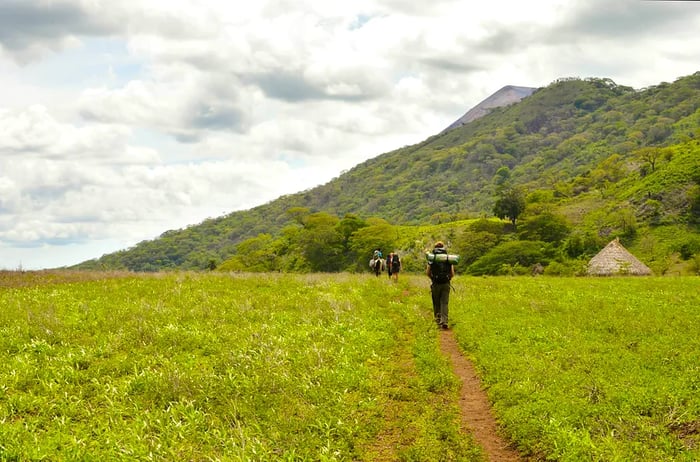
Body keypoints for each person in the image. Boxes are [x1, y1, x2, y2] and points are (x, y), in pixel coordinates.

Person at [426, 241, 455, 330]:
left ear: (435, 248)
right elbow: (452, 273)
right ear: (443, 247)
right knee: (444, 303)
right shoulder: (448, 258)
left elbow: (427, 272)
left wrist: (432, 278)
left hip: (435, 283)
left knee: (436, 302)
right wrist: (448, 279)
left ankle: (438, 320)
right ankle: (445, 321)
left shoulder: (432, 258)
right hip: (446, 283)